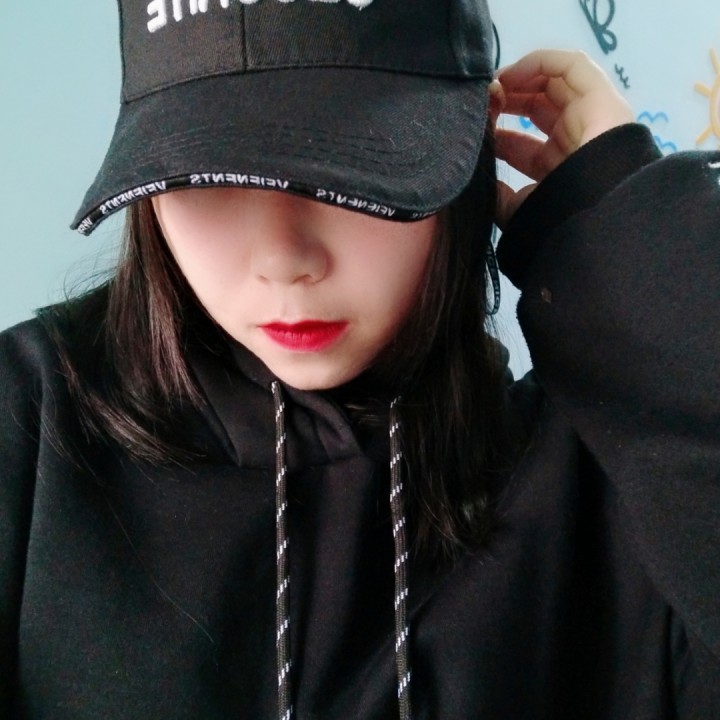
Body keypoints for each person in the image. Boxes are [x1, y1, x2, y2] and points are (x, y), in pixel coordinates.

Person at [1, 0, 718, 718]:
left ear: (474, 142)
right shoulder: (31, 420)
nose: (284, 261)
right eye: (208, 175)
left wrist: (629, 235)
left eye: (352, 169)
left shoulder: (612, 483)